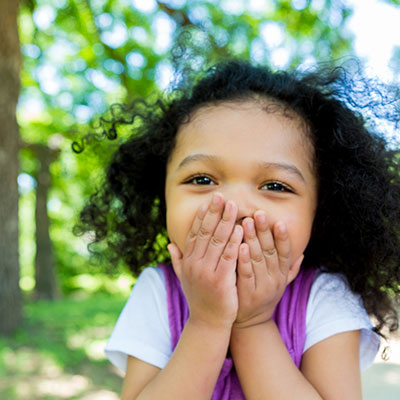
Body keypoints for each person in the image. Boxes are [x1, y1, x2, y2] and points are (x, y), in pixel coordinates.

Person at [74, 58, 400, 399]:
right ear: (162, 196)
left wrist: (253, 323)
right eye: (202, 179)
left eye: (275, 185)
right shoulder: (158, 291)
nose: (236, 206)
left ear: (320, 209)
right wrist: (207, 322)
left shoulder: (326, 297)